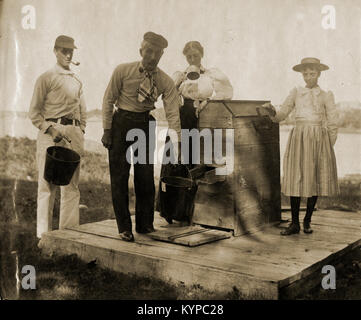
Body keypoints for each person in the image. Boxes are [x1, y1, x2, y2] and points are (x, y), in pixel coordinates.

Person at [101, 31, 181, 242]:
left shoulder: (165, 81)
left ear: (162, 55)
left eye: (157, 53)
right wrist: (107, 130)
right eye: (149, 51)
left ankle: (145, 224)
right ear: (141, 51)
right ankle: (124, 227)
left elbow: (173, 112)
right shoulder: (122, 71)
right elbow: (108, 100)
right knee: (119, 177)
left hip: (145, 125)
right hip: (121, 124)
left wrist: (176, 141)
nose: (152, 57)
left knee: (145, 177)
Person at [157, 41, 233, 226]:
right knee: (174, 161)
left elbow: (227, 92)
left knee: (195, 164)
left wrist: (208, 102)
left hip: (203, 118)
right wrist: (179, 84)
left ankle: (188, 212)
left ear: (201, 55)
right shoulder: (180, 75)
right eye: (189, 56)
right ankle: (168, 210)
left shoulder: (210, 75)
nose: (192, 59)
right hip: (183, 117)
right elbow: (166, 95)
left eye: (195, 56)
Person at [263, 57, 339, 236]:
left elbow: (333, 120)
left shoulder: (326, 94)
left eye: (312, 73)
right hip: (299, 137)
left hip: (318, 139)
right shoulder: (296, 92)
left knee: (314, 178)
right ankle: (294, 223)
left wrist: (328, 144)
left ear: (319, 74)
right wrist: (272, 112)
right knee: (295, 177)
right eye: (305, 73)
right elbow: (283, 112)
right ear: (302, 75)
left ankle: (307, 221)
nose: (308, 76)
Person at [29, 35, 86, 239]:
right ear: (55, 51)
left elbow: (82, 110)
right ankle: (43, 237)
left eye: (71, 50)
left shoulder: (77, 81)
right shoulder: (46, 77)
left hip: (73, 134)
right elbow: (34, 113)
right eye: (64, 50)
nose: (68, 54)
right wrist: (51, 129)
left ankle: (68, 236)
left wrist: (80, 131)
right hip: (51, 133)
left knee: (71, 186)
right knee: (47, 185)